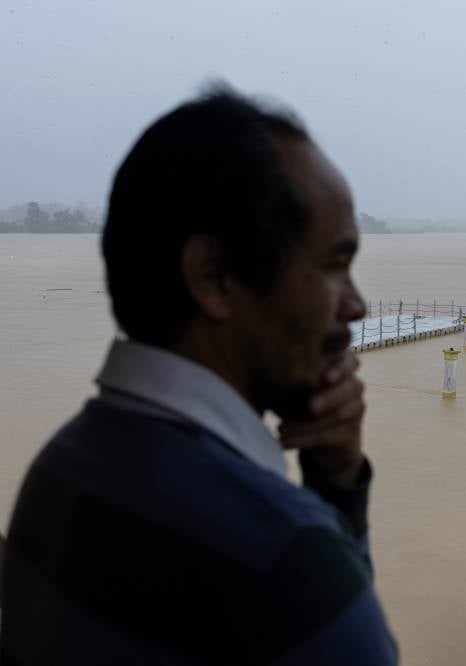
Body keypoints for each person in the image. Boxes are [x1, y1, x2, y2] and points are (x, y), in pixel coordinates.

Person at [0, 87, 397, 664]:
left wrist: (333, 479)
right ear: (212, 276)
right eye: (334, 266)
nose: (357, 305)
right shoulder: (284, 560)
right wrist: (334, 503)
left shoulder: (59, 471)